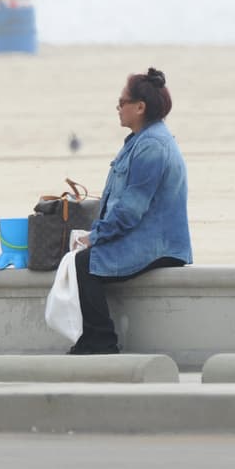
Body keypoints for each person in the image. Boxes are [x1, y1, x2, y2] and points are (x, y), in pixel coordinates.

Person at [67, 68, 191, 355]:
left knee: (85, 264)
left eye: (122, 102)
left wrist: (95, 238)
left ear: (140, 107)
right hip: (145, 238)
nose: (117, 108)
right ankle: (91, 338)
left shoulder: (152, 146)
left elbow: (131, 209)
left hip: (157, 245)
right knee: (80, 259)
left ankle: (102, 342)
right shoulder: (139, 141)